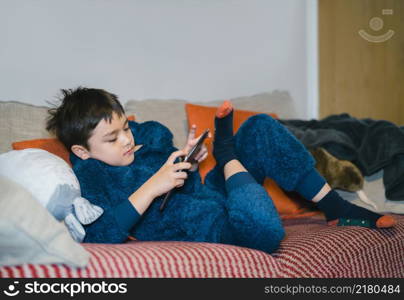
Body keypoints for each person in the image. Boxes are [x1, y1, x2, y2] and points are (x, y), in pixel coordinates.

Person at [46, 87, 396, 253]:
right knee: (261, 224)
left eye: (125, 127)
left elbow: (182, 182)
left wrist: (186, 160)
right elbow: (97, 237)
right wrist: (153, 185)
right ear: (82, 150)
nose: (126, 139)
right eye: (112, 138)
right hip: (207, 227)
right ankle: (227, 154)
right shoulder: (91, 177)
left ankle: (336, 208)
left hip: (209, 192)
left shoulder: (147, 136)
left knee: (260, 127)